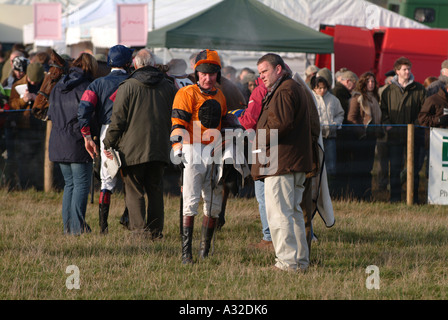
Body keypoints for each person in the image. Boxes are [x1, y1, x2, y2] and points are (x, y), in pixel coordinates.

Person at [103, 49, 176, 238]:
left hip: (132, 149)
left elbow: (117, 120)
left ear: (135, 65)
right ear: (152, 63)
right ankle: (156, 232)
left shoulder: (127, 86)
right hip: (159, 147)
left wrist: (108, 142)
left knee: (134, 190)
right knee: (155, 189)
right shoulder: (168, 87)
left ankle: (139, 232)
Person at [251, 53, 314, 272]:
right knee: (293, 213)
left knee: (279, 214)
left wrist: (255, 139)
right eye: (259, 73)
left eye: (265, 71)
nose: (262, 77)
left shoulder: (285, 90)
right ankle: (300, 262)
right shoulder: (291, 87)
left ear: (279, 69)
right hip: (290, 162)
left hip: (281, 163)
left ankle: (287, 262)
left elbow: (281, 125)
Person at [171, 49, 227, 264]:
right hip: (192, 148)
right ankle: (186, 254)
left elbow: (223, 121)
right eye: (203, 73)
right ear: (196, 73)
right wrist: (177, 147)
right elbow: (178, 122)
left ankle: (204, 252)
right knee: (191, 201)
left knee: (213, 204)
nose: (207, 77)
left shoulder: (220, 96)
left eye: (211, 73)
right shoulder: (186, 94)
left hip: (214, 150)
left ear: (217, 75)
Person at [78, 44, 133, 234]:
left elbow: (83, 109)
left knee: (106, 180)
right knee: (132, 178)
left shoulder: (97, 84)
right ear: (128, 63)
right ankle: (128, 217)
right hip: (132, 132)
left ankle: (103, 227)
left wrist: (86, 135)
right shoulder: (134, 81)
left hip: (106, 132)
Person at [47, 53, 98, 235]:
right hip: (77, 141)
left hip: (58, 141)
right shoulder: (87, 87)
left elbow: (51, 114)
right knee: (81, 184)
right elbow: (90, 117)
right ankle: (77, 228)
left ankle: (68, 227)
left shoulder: (57, 87)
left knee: (69, 185)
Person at [380, 56, 426, 203]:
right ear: (397, 71)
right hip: (394, 136)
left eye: (409, 69)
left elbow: (423, 111)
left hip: (414, 136)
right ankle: (394, 198)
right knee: (394, 169)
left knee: (414, 170)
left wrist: (415, 125)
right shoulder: (388, 91)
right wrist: (387, 125)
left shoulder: (419, 89)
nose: (407, 72)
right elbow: (384, 111)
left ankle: (414, 198)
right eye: (404, 69)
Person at [9, 62, 46, 190]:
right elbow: (11, 106)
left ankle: (40, 185)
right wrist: (22, 100)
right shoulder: (17, 86)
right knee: (24, 159)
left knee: (40, 158)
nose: (34, 83)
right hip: (24, 128)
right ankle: (25, 185)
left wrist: (36, 98)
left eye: (37, 81)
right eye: (31, 80)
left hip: (42, 128)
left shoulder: (47, 84)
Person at [347, 72, 382, 201]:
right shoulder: (357, 98)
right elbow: (351, 118)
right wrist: (361, 133)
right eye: (368, 82)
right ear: (363, 83)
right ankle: (356, 195)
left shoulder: (375, 98)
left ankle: (367, 194)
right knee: (358, 168)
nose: (371, 84)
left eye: (373, 81)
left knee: (368, 168)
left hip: (372, 138)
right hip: (360, 138)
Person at [310, 75, 344, 195]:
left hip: (330, 138)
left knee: (330, 167)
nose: (322, 90)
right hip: (314, 139)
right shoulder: (310, 99)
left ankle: (330, 192)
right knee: (315, 166)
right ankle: (316, 192)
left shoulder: (334, 100)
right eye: (319, 88)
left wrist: (336, 123)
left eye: (324, 88)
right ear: (314, 88)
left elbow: (340, 114)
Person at [332, 69, 358, 198]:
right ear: (348, 82)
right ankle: (338, 193)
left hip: (340, 135)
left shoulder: (338, 92)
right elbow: (344, 113)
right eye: (354, 83)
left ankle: (340, 193)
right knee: (341, 166)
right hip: (341, 136)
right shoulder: (341, 94)